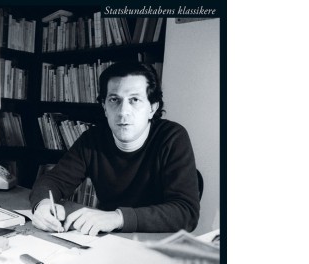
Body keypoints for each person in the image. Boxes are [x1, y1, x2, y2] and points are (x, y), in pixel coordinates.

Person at [30, 61, 200, 235]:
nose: (123, 111)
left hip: (157, 241)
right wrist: (43, 205)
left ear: (152, 108)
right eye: (114, 100)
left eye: (134, 100)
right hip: (106, 238)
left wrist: (118, 218)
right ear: (104, 107)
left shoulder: (172, 137)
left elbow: (186, 212)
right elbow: (53, 180)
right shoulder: (93, 139)